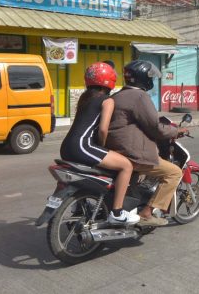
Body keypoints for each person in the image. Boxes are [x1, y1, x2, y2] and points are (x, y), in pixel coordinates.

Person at [106, 60, 189, 227]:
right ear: (144, 78)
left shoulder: (117, 95)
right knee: (173, 172)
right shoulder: (139, 96)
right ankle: (147, 212)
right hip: (132, 153)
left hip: (114, 151)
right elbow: (155, 127)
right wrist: (176, 131)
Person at [59, 62, 139, 225]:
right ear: (110, 81)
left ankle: (80, 207)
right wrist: (103, 147)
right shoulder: (107, 100)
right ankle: (117, 212)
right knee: (126, 166)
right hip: (82, 147)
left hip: (66, 147)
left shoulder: (85, 98)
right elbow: (103, 130)